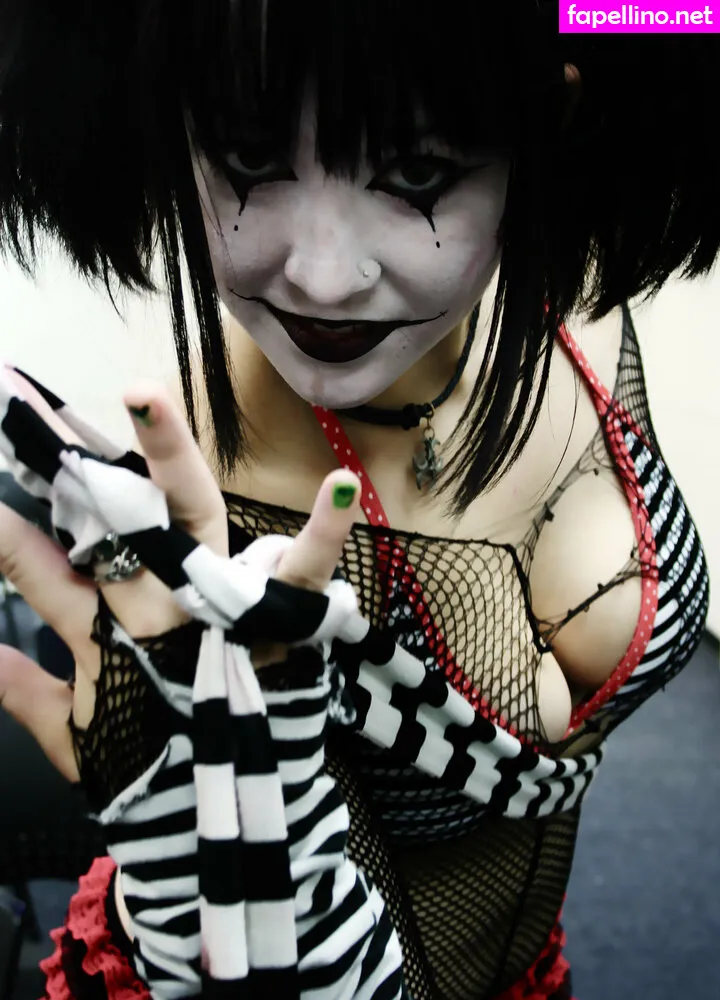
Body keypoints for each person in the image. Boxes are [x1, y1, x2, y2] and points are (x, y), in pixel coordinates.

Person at [0, 2, 717, 998]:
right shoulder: (222, 504)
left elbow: (673, 16)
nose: (325, 278)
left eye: (417, 172)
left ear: (546, 119)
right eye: (251, 160)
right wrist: (206, 808)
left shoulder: (570, 298)